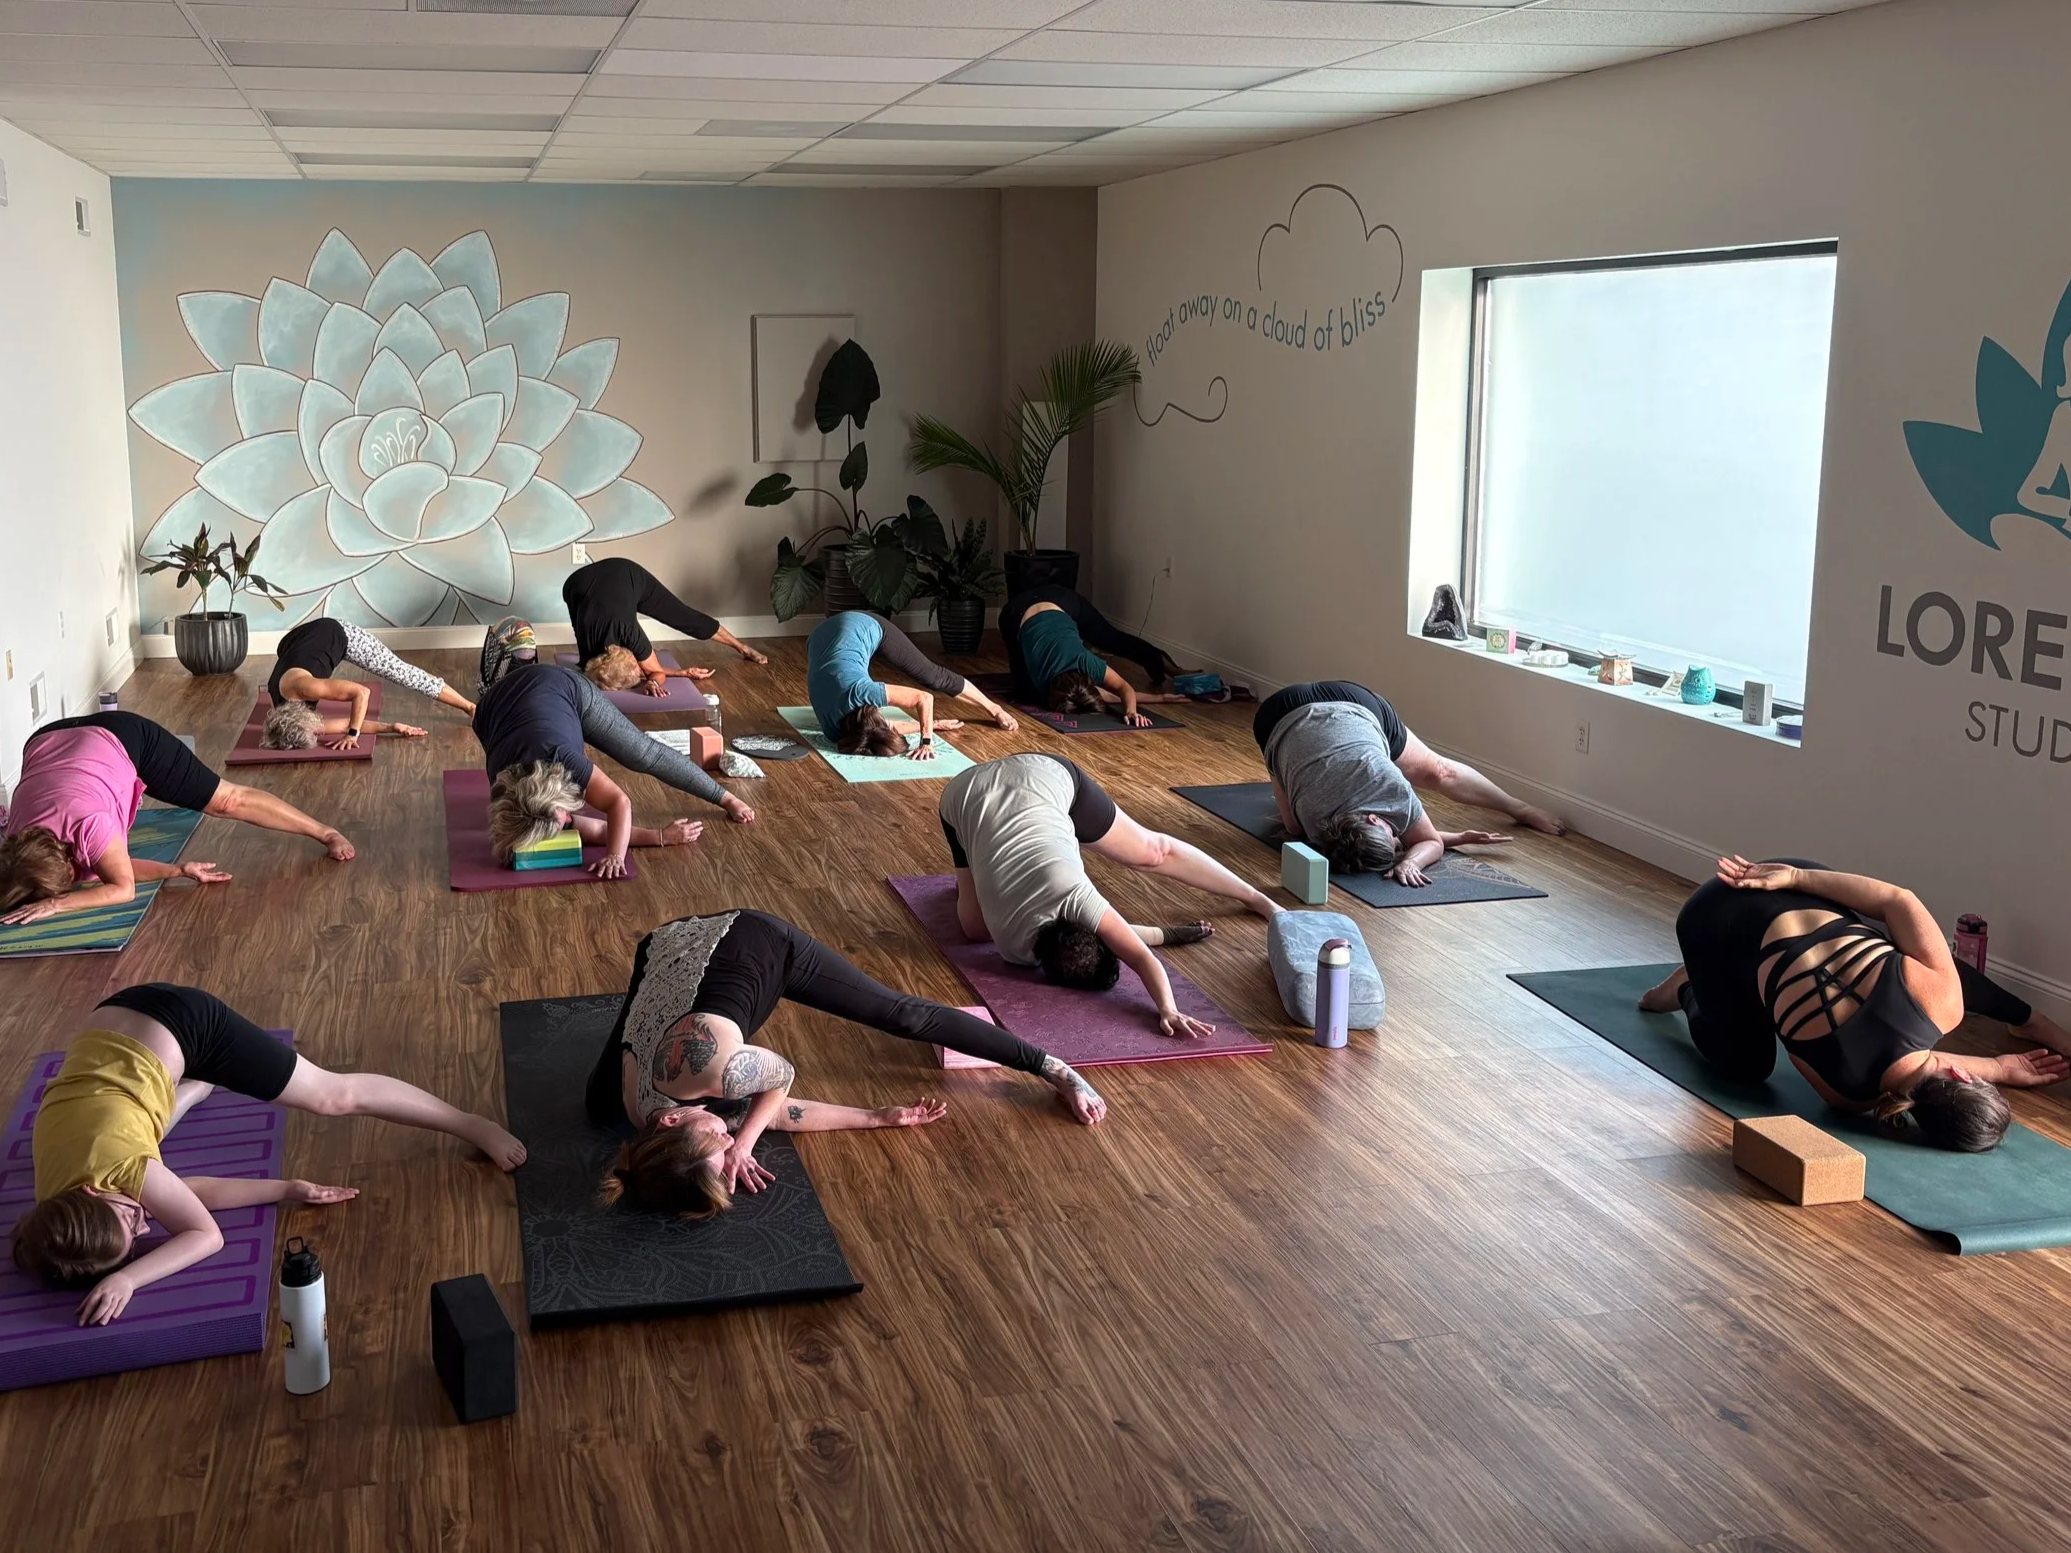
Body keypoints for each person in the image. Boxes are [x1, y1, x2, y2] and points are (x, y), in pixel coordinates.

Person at [10, 983, 526, 1325]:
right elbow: (178, 1195)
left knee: (332, 1096)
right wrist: (285, 1189)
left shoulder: (125, 1170)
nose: (146, 1227)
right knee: (145, 1131)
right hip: (113, 1020)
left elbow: (203, 1232)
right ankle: (192, 1089)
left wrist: (129, 1275)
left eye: (131, 1217)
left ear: (90, 1190)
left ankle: (470, 1123)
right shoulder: (56, 1202)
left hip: (184, 1023)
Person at [585, 910, 1109, 1218]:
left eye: (718, 1142)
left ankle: (1053, 1066)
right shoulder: (642, 1118)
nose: (729, 1139)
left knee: (900, 1015)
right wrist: (876, 1117)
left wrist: (741, 1146)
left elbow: (779, 1080)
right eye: (727, 1152)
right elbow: (772, 1113)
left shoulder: (712, 1070)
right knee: (594, 1102)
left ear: (673, 1119)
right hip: (663, 946)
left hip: (750, 942)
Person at [1639, 857, 2071, 1152]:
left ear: (1961, 1073)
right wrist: (1995, 1066)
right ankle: (1694, 988)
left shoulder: (1942, 1002)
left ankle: (1688, 984)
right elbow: (1901, 1071)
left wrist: (1793, 876)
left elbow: (1897, 899)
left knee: (1940, 976)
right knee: (1751, 1066)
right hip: (1710, 922)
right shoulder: (1844, 1094)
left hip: (1788, 879)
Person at [940, 753, 1280, 1037]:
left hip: (1012, 782)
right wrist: (1166, 1002)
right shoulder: (1018, 944)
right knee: (975, 928)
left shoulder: (1068, 905)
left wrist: (1169, 1009)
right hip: (971, 791)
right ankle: (983, 860)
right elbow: (1136, 952)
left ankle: (1254, 897)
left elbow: (1141, 958)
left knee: (1154, 851)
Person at [0, 711, 354, 925]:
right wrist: (177, 871)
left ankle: (325, 832)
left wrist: (56, 903)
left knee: (226, 800)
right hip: (49, 738)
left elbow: (122, 887)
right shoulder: (17, 837)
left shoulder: (90, 825)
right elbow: (113, 866)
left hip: (124, 736)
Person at [1255, 679, 1563, 887]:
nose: (1400, 838)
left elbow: (1429, 842)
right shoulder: (1315, 826)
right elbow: (1428, 840)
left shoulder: (1391, 788)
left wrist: (1412, 862)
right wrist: (1455, 838)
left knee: (1439, 771)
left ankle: (1519, 808)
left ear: (1376, 818)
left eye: (1394, 838)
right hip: (1277, 713)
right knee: (1293, 828)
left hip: (1340, 706)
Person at [474, 660, 754, 875]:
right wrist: (659, 837)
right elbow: (589, 830)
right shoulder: (501, 783)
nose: (568, 825)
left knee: (642, 754)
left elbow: (619, 802)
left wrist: (616, 856)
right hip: (493, 708)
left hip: (561, 685)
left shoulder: (563, 760)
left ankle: (726, 797)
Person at [807, 609, 1018, 759]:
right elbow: (881, 729)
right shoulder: (833, 731)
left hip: (861, 623)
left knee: (932, 676)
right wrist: (933, 724)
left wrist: (926, 739)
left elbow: (924, 697)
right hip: (817, 637)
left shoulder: (862, 692)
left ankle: (994, 708)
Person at [565, 557, 767, 698]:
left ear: (632, 655)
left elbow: (654, 673)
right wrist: (683, 673)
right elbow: (651, 670)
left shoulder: (631, 635)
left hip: (626, 573)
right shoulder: (590, 662)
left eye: (638, 669)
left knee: (682, 616)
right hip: (577, 584)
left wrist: (653, 681)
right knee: (582, 620)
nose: (641, 671)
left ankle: (742, 647)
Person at [260, 616, 472, 750]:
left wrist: (353, 735)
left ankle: (470, 707)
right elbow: (343, 723)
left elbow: (361, 693)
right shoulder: (283, 712)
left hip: (336, 632)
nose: (318, 729)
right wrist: (392, 727)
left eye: (314, 729)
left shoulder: (306, 687)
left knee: (403, 674)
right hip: (293, 642)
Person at [999, 585, 1190, 726]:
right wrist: (1159, 698)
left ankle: (1170, 667)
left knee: (1111, 638)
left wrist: (1134, 710)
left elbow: (1121, 689)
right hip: (1016, 613)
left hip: (1059, 601)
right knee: (1023, 692)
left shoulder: (1086, 661)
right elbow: (1109, 695)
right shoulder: (1041, 683)